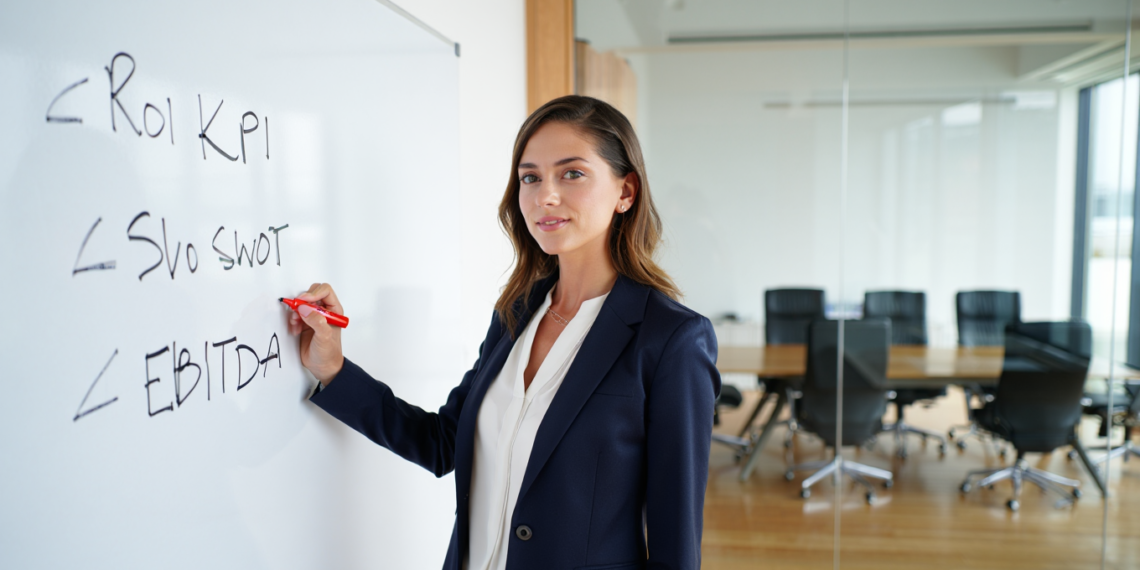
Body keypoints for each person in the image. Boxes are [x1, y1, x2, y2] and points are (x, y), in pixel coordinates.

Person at [287, 95, 720, 570]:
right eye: (530, 177)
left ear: (626, 192)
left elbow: (676, 542)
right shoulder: (516, 313)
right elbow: (442, 441)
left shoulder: (671, 339)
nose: (544, 196)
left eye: (571, 173)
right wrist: (332, 368)